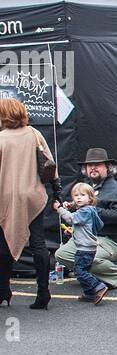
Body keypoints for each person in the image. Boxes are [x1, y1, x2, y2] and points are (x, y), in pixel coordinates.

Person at [0, 97, 57, 310]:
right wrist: (57, 192)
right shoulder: (34, 134)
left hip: (5, 198)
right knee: (38, 244)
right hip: (34, 196)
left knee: (4, 244)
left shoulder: (1, 139)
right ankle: (43, 291)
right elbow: (50, 164)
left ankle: (3, 290)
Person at [54, 147, 117, 290]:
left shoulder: (115, 190)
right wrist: (71, 207)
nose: (93, 168)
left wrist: (92, 211)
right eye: (90, 165)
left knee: (89, 258)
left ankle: (116, 274)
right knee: (61, 255)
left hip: (114, 240)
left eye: (98, 164)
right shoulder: (88, 187)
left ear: (108, 168)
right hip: (90, 238)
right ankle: (95, 275)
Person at [56, 183, 107, 304]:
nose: (78, 198)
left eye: (82, 195)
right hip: (88, 247)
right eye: (75, 195)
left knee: (79, 271)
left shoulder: (85, 212)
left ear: (90, 198)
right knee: (84, 270)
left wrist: (60, 209)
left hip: (84, 248)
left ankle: (99, 286)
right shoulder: (89, 210)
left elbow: (71, 219)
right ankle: (89, 294)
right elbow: (84, 227)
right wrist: (72, 231)